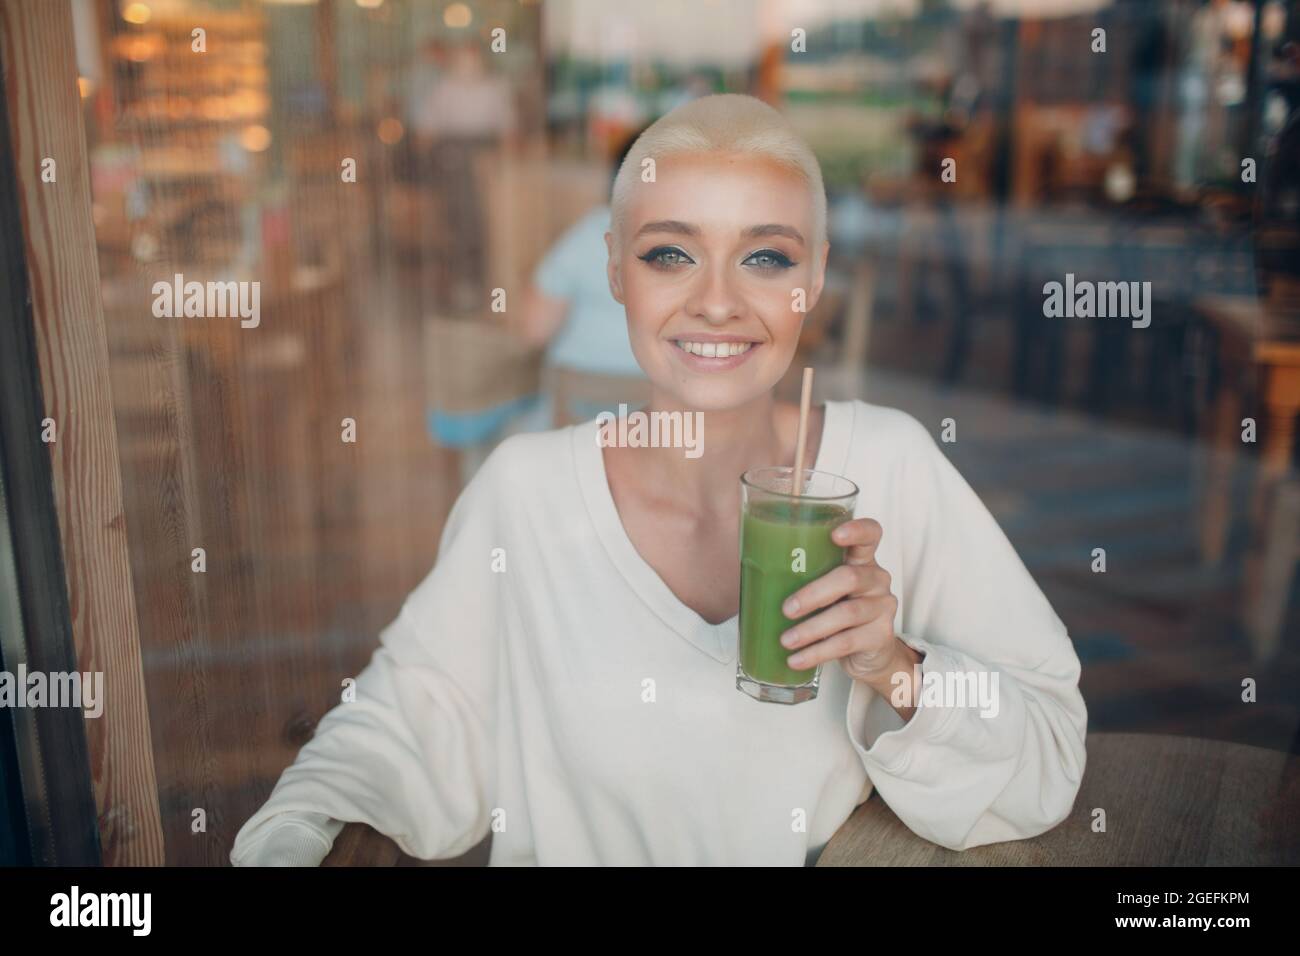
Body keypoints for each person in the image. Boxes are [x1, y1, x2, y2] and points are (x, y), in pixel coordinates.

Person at [230, 94, 1087, 867]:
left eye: (767, 259)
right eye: (670, 253)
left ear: (815, 277)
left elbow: (1047, 759)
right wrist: (295, 834)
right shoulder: (524, 493)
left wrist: (896, 667)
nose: (717, 302)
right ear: (614, 270)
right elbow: (408, 720)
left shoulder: (891, 466)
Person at [509, 130, 648, 426]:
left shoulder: (589, 233)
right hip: (663, 409)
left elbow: (534, 329)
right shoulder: (697, 244)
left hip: (580, 403)